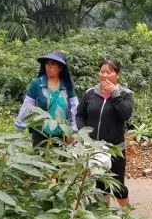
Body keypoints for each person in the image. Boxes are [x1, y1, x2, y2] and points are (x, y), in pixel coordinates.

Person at [77, 59, 135, 207]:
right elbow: (80, 115)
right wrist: (83, 134)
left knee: (118, 186)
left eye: (109, 72)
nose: (105, 75)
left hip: (115, 148)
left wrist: (115, 93)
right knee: (99, 186)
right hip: (94, 148)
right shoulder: (90, 93)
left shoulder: (126, 94)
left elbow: (125, 114)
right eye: (102, 72)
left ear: (118, 75)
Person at [16, 50, 79, 145]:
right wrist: (20, 127)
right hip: (40, 135)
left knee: (61, 160)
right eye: (47, 64)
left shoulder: (67, 86)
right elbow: (27, 106)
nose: (49, 67)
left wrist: (74, 132)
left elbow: (74, 108)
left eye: (53, 64)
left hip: (63, 135)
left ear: (60, 67)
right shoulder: (37, 84)